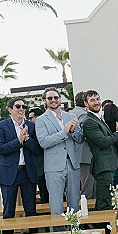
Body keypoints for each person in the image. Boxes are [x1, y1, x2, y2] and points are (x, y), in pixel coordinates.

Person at [0, 98, 44, 234]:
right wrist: (19, 141)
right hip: (9, 173)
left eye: (23, 106)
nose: (21, 109)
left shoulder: (31, 126)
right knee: (9, 211)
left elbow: (38, 150)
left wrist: (28, 140)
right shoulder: (2, 126)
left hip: (27, 172)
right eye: (18, 106)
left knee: (31, 210)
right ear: (10, 109)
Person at [35, 87, 84, 226]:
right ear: (44, 101)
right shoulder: (41, 120)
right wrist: (64, 132)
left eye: (56, 97)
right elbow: (44, 142)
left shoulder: (70, 116)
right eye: (50, 98)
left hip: (72, 163)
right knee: (56, 205)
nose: (53, 100)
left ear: (60, 99)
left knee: (74, 202)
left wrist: (73, 131)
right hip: (54, 166)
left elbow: (80, 139)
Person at [82, 91, 118, 211]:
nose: (96, 102)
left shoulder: (98, 118)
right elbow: (102, 142)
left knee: (107, 199)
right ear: (86, 104)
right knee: (104, 201)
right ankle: (102, 228)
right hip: (102, 165)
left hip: (109, 164)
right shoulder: (89, 121)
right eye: (92, 100)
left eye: (98, 99)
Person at [71, 91, 96, 200]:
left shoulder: (72, 112)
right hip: (85, 154)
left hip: (77, 154)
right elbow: (86, 133)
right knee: (88, 187)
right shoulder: (82, 114)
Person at [28, 108, 49, 203]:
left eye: (31, 118)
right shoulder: (31, 130)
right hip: (38, 168)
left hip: (45, 167)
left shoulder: (43, 129)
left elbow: (38, 148)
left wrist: (27, 139)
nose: (29, 120)